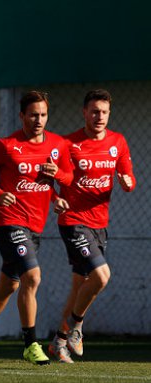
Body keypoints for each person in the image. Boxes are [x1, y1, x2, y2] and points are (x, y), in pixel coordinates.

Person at [0, 91, 72, 366]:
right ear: (22, 115)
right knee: (32, 277)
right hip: (9, 221)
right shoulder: (6, 144)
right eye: (33, 114)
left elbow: (66, 177)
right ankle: (30, 344)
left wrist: (57, 193)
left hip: (36, 225)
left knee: (8, 286)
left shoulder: (58, 145)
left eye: (43, 115)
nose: (38, 120)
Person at [48, 89, 136, 363]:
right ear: (84, 113)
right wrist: (55, 198)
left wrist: (127, 183)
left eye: (104, 112)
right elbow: (49, 180)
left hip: (100, 224)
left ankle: (59, 342)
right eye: (94, 111)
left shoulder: (118, 142)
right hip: (74, 222)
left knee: (79, 287)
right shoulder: (68, 144)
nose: (99, 116)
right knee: (101, 275)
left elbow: (128, 176)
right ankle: (77, 327)